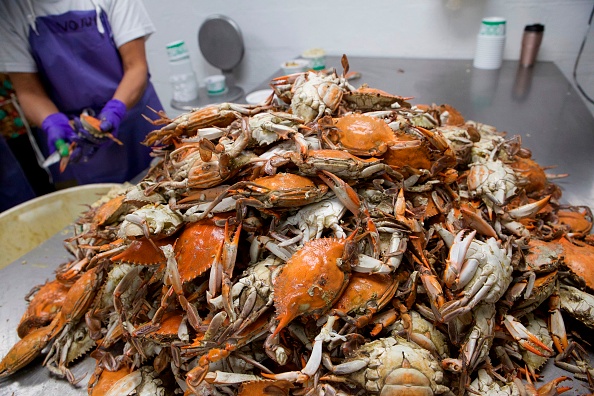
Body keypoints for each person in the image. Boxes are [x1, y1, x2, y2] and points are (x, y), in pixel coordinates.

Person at [0, 0, 163, 188]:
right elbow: (28, 91)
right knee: (95, 207)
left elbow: (136, 66)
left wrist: (116, 109)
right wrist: (52, 122)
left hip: (136, 120)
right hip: (75, 137)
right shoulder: (9, 11)